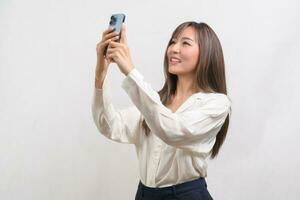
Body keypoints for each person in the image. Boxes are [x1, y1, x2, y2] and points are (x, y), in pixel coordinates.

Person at [92, 21, 232, 200]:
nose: (174, 49)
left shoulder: (216, 103)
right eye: (172, 42)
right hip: (145, 194)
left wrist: (130, 70)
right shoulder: (154, 102)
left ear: (206, 54)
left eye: (185, 43)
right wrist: (100, 74)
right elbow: (109, 125)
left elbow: (173, 130)